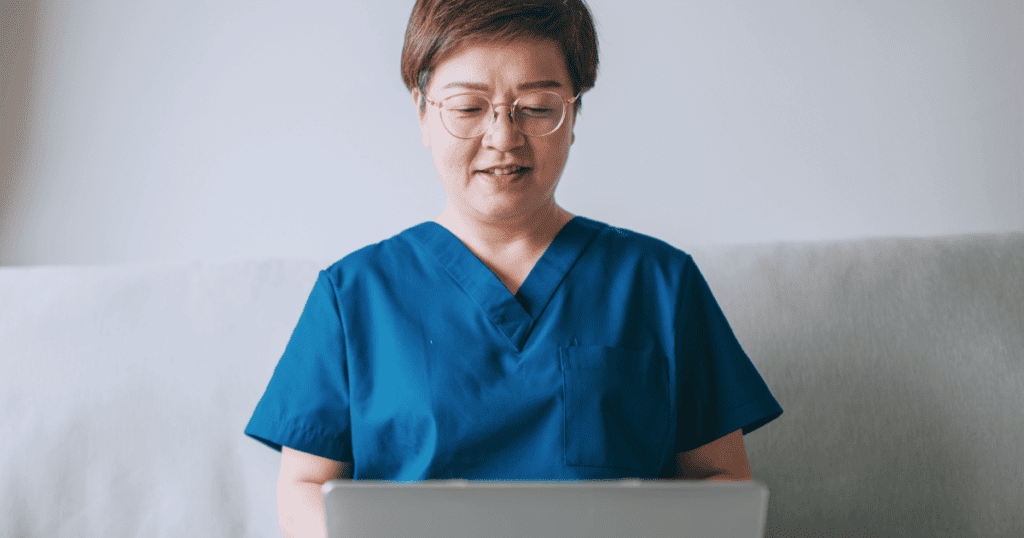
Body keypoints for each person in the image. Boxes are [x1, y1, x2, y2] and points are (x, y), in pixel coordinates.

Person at [244, 0, 783, 536]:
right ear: (422, 112)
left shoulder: (660, 284)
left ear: (573, 115)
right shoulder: (352, 296)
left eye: (537, 107)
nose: (503, 137)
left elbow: (721, 478)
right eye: (468, 107)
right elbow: (303, 488)